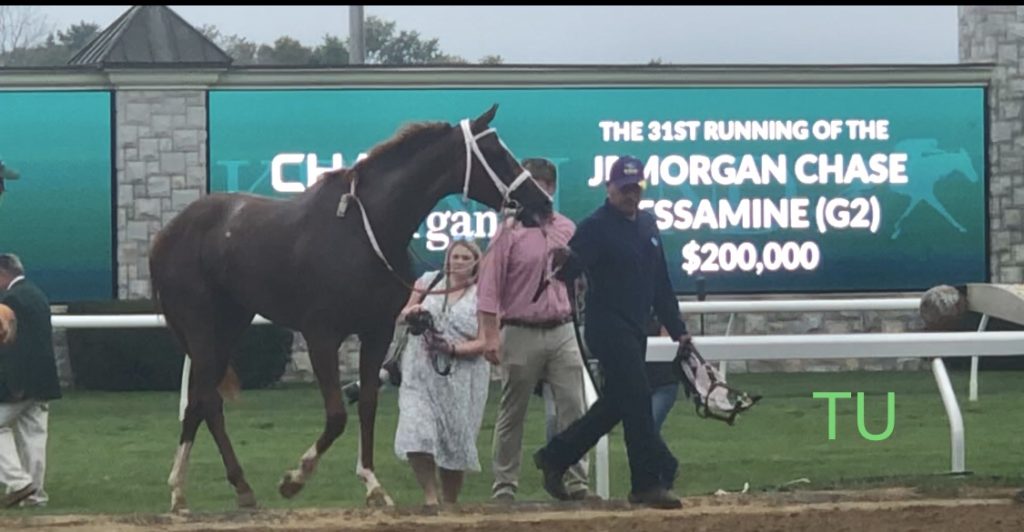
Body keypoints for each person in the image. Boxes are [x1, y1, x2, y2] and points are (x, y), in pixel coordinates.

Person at [532, 155, 690, 509]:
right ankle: (646, 483)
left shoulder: (648, 225)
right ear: (610, 188)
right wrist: (562, 262)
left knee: (617, 404)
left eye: (636, 189)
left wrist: (678, 329)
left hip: (637, 329)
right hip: (607, 328)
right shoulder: (595, 226)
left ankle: (555, 457)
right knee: (637, 396)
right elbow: (570, 269)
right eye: (624, 189)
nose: (630, 195)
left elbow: (660, 283)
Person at [477, 157, 593, 502]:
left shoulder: (568, 229)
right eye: (532, 185)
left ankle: (575, 478)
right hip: (520, 328)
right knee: (513, 410)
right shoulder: (506, 234)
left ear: (552, 188)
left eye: (544, 185)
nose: (539, 191)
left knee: (574, 406)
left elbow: (583, 277)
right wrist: (490, 334)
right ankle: (504, 485)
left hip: (562, 327)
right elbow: (488, 287)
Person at [393, 239, 491, 506]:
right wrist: (412, 314)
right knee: (416, 431)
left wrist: (452, 348)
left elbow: (486, 341)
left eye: (463, 257)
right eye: (453, 256)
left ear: (475, 263)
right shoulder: (428, 282)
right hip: (420, 371)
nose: (457, 261)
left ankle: (450, 502)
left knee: (454, 443)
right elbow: (403, 314)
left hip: (463, 376)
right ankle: (429, 496)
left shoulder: (484, 293)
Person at [0, 253, 61, 508]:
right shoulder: (37, 294)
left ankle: (19, 482)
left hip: (19, 382)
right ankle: (35, 496)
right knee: (34, 436)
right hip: (44, 380)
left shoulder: (10, 300)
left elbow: (7, 338)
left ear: (3, 274)